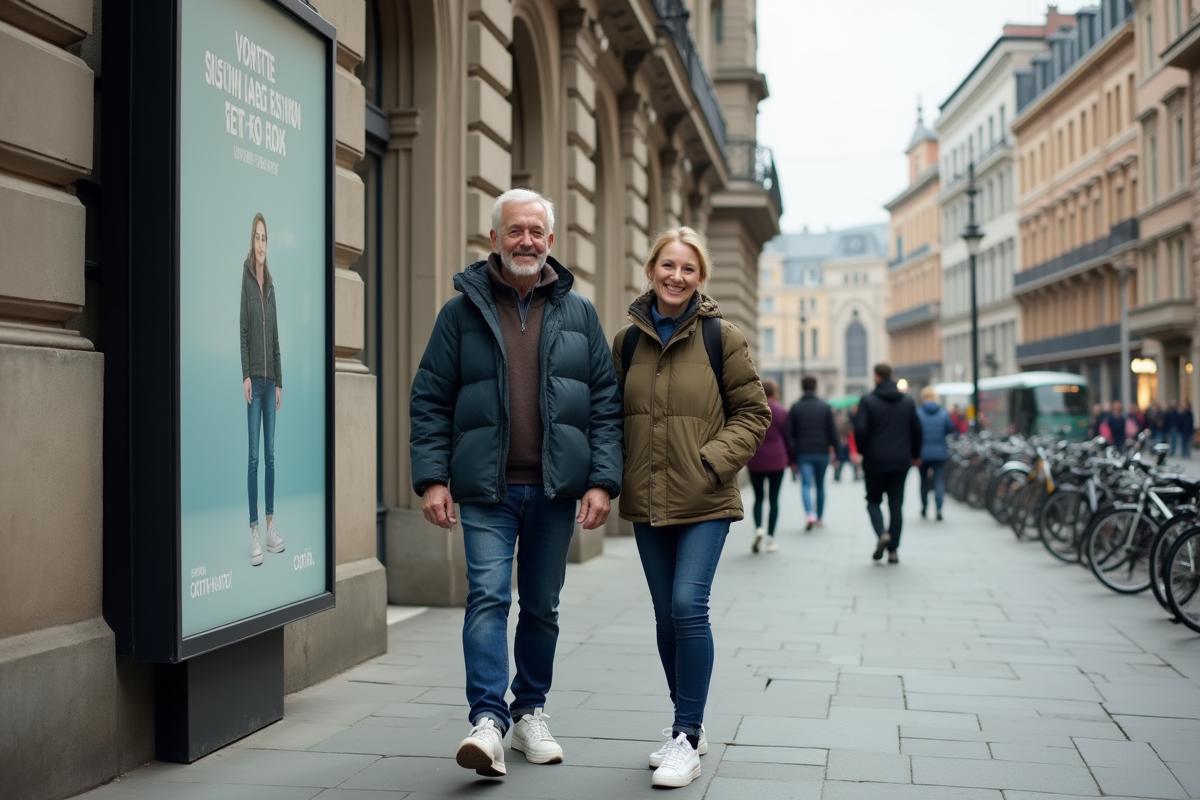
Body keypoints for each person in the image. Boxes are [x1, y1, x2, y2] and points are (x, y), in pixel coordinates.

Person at [409, 189, 623, 778]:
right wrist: (432, 479)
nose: (525, 240)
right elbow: (430, 398)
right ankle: (487, 720)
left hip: (555, 490)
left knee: (543, 605)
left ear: (550, 241)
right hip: (486, 489)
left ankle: (529, 710)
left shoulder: (579, 313)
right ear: (495, 240)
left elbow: (604, 403)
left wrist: (602, 481)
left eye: (535, 231)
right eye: (514, 231)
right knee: (487, 597)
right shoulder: (461, 312)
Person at [613, 226, 769, 789]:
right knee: (663, 616)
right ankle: (689, 723)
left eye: (689, 269)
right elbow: (611, 418)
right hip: (647, 500)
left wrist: (711, 462)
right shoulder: (626, 341)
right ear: (651, 268)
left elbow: (754, 413)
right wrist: (610, 477)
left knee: (686, 606)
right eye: (668, 266)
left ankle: (685, 735)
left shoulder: (719, 337)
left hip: (704, 497)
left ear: (700, 278)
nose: (677, 277)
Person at [240, 212, 285, 566]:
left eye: (264, 238)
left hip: (272, 384)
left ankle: (271, 527)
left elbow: (276, 339)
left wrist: (280, 381)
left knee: (270, 456)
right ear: (251, 242)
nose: (260, 244)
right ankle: (253, 530)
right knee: (253, 457)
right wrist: (245, 375)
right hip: (255, 380)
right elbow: (243, 331)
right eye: (257, 237)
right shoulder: (246, 279)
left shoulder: (271, 284)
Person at [854, 363, 922, 564]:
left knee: (873, 500)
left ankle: (882, 534)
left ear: (876, 377)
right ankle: (893, 551)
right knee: (896, 505)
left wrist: (864, 451)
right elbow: (917, 431)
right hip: (901, 461)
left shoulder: (868, 401)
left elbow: (860, 430)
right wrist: (915, 455)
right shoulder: (907, 402)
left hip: (875, 461)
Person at [785, 376, 839, 530]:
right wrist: (836, 454)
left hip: (803, 453)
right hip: (822, 452)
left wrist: (794, 450)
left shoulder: (795, 407)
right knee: (821, 485)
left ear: (802, 388)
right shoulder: (825, 407)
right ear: (815, 388)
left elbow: (788, 434)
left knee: (806, 484)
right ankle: (820, 517)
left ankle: (810, 513)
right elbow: (833, 433)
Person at [746, 379, 790, 553]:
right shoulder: (781, 412)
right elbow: (788, 438)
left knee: (758, 498)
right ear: (775, 392)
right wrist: (792, 461)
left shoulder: (753, 410)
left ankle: (759, 529)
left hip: (756, 459)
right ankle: (771, 538)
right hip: (777, 460)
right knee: (773, 499)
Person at [916, 387, 955, 521]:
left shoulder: (919, 413)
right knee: (939, 482)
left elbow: (914, 433)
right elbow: (950, 429)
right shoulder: (943, 413)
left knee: (923, 482)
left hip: (923, 454)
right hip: (939, 453)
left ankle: (924, 507)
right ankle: (939, 508)